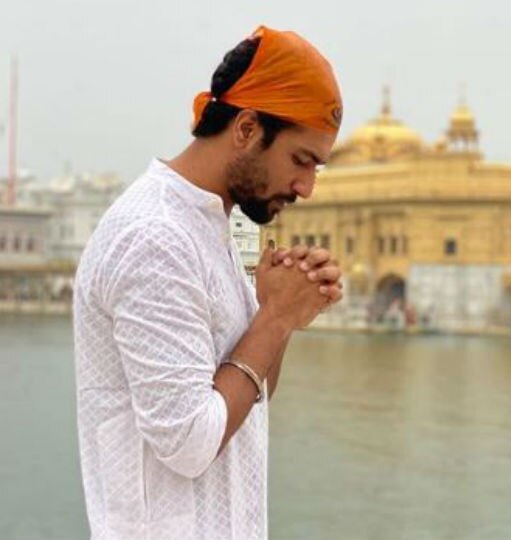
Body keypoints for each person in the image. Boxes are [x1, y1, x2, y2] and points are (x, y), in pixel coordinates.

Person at [73, 25, 343, 540]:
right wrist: (276, 315)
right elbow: (191, 442)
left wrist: (275, 314)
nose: (306, 187)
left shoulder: (207, 227)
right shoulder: (155, 237)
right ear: (245, 129)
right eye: (300, 160)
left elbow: (251, 397)